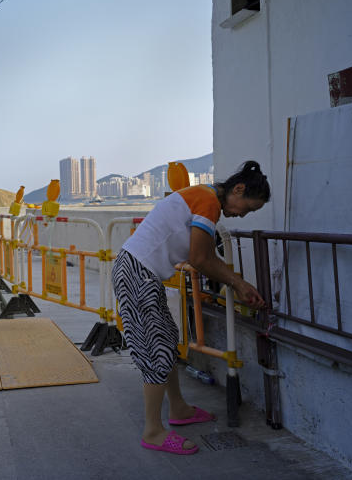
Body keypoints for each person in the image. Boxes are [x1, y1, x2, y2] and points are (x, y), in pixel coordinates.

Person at [112, 160, 270, 455]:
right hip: (137, 273)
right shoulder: (208, 201)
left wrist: (238, 283)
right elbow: (200, 259)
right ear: (238, 189)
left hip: (139, 272)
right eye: (246, 208)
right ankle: (153, 430)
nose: (239, 215)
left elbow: (207, 255)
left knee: (168, 341)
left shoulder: (203, 196)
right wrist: (239, 284)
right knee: (156, 349)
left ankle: (179, 409)